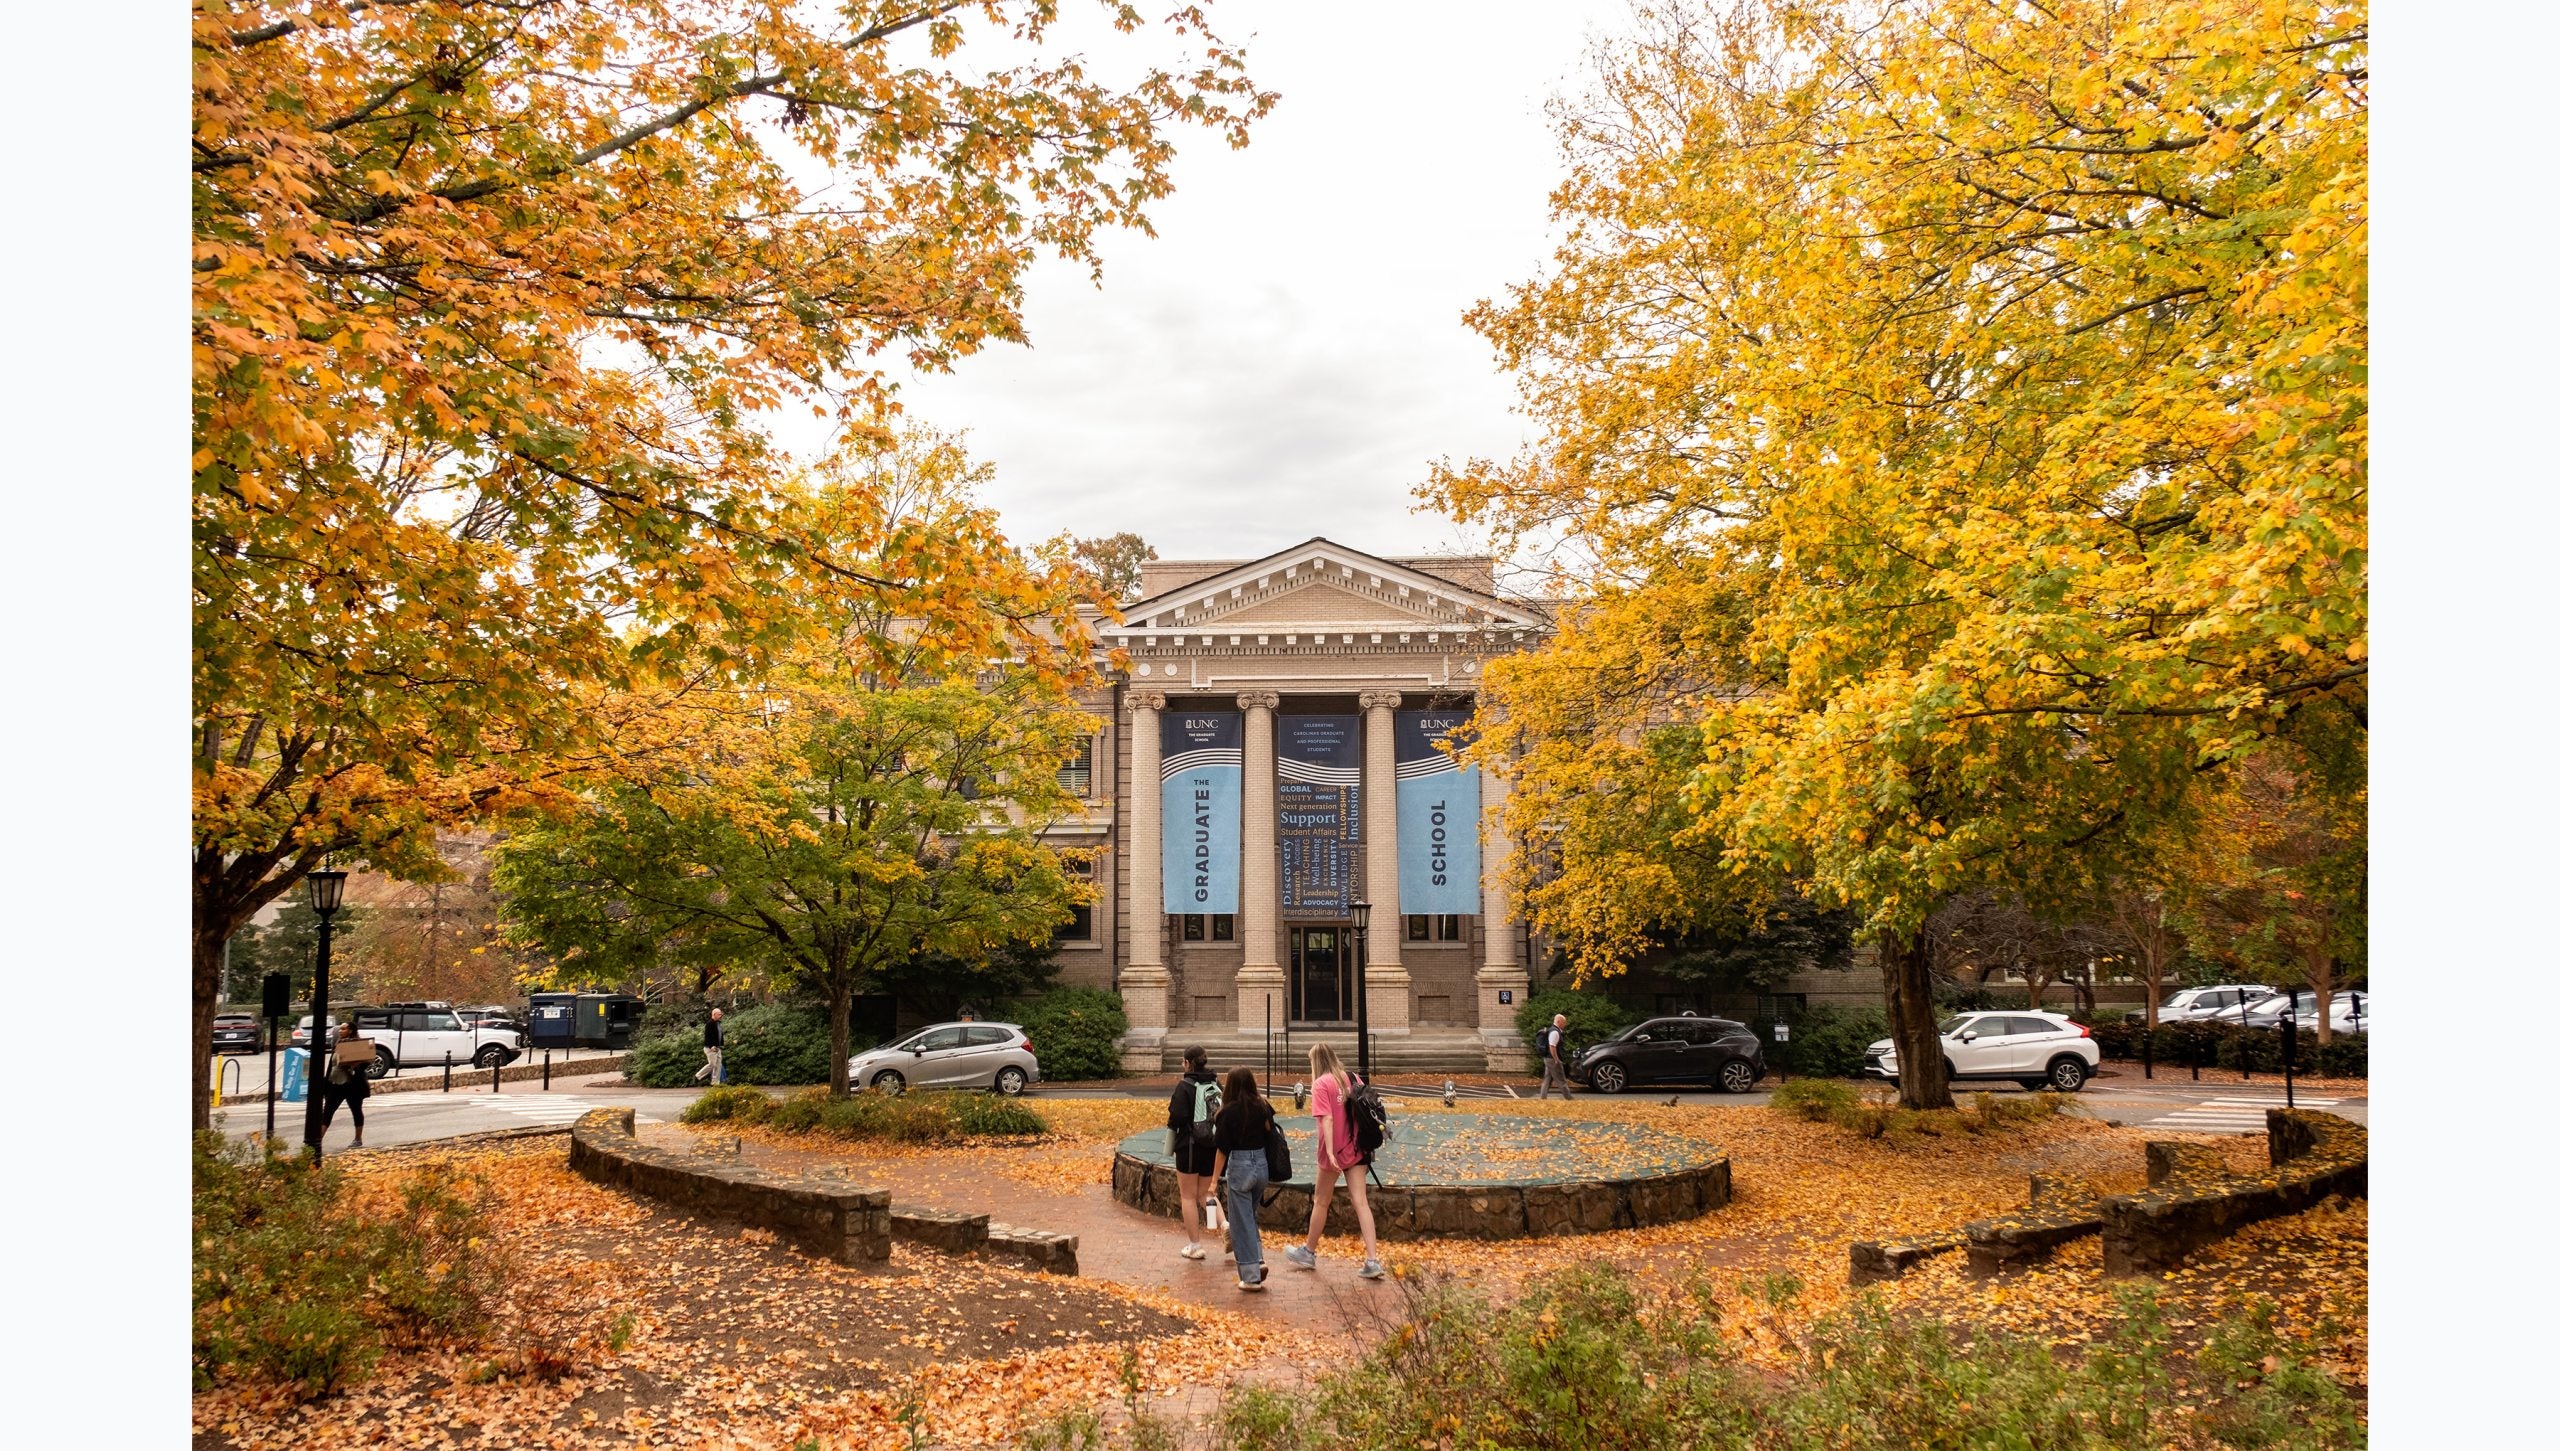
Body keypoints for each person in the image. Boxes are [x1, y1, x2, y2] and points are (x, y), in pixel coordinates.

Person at [1285, 1043, 1385, 1280]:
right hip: (1357, 1148)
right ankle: (1372, 1260)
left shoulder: (1321, 1084)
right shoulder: (1352, 1078)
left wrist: (1330, 1153)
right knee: (1361, 1202)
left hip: (1335, 1150)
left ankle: (1308, 1252)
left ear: (1315, 1062)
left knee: (1321, 1201)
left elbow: (1327, 1120)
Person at [1210, 1066, 1277, 1291]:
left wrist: (1213, 1181)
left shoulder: (1227, 1112)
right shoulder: (1262, 1106)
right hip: (1261, 1164)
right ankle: (1258, 1258)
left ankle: (1251, 1274)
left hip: (1240, 1165)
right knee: (1250, 1215)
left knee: (1240, 1221)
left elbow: (1222, 1149)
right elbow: (1270, 1131)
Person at [1166, 1046, 1221, 1261]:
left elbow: (1177, 1118)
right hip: (1211, 1145)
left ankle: (1195, 1245)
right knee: (1206, 1194)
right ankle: (1222, 1225)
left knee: (1188, 1196)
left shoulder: (1185, 1086)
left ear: (1188, 1063)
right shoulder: (1215, 1083)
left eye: (1183, 1062)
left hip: (1188, 1147)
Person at [319, 1020, 371, 1149]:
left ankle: (358, 1139)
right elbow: (332, 1065)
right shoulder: (338, 1044)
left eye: (343, 1029)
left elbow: (366, 1062)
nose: (340, 1031)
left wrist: (353, 1066)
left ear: (351, 1031)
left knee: (356, 1110)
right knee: (327, 1112)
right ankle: (317, 1140)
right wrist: (326, 1084)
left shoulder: (357, 1045)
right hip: (335, 1084)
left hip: (352, 1085)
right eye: (340, 1029)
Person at [1537, 1013, 1574, 1099]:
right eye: (1563, 1022)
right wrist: (1556, 1059)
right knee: (1561, 1080)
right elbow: (1552, 1046)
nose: (1565, 1024)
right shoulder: (1555, 1032)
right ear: (1558, 1021)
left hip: (1548, 1058)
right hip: (1552, 1059)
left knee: (1548, 1079)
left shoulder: (1551, 1030)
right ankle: (1569, 1098)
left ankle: (1542, 1098)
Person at [695, 1007, 726, 1085]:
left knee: (718, 1066)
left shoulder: (718, 1023)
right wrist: (711, 1045)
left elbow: (719, 1034)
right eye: (719, 1014)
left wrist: (721, 1044)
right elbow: (707, 1036)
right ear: (714, 1014)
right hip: (710, 1048)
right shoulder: (709, 1024)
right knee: (712, 1064)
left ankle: (715, 1083)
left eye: (721, 1014)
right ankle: (698, 1076)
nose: (720, 1016)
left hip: (717, 1048)